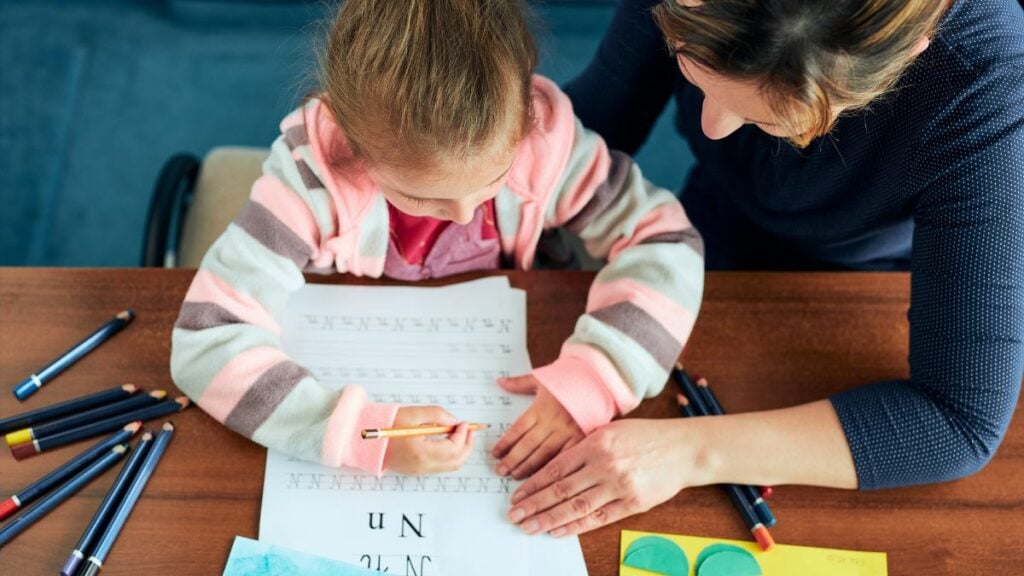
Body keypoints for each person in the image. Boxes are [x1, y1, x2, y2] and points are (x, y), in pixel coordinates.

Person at [506, 0, 1024, 537]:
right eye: (690, 66)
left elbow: (959, 422)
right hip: (699, 235)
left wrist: (688, 453)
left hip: (863, 285)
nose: (711, 127)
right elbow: (594, 132)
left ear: (905, 58)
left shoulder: (984, 76)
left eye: (767, 119)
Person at [170, 0, 704, 477]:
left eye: (493, 182)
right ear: (353, 145)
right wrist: (361, 433)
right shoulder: (312, 179)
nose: (466, 213)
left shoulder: (544, 143)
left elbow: (666, 241)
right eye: (423, 197)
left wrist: (597, 376)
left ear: (525, 115)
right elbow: (206, 341)